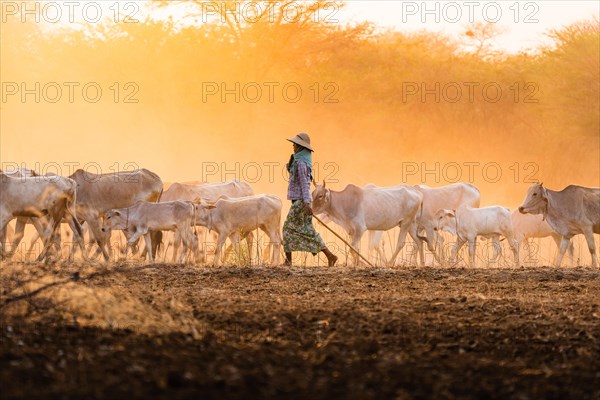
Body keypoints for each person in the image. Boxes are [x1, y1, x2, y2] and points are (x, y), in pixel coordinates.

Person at [282, 133, 338, 267]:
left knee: (287, 228)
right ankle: (330, 256)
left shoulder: (301, 163)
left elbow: (304, 184)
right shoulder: (300, 161)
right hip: (301, 201)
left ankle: (288, 261)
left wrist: (307, 203)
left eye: (295, 144)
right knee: (308, 230)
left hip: (301, 201)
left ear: (301, 147)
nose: (293, 146)